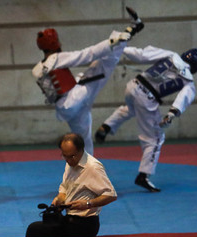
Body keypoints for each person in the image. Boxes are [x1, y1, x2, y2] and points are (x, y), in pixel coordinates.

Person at [32, 7, 144, 155]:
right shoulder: (57, 58)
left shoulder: (37, 69)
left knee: (83, 140)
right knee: (104, 63)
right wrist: (114, 41)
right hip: (76, 97)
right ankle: (131, 30)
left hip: (66, 109)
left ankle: (85, 172)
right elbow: (88, 54)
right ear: (54, 42)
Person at [94, 47, 197, 192]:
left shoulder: (170, 54)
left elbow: (142, 54)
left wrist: (122, 48)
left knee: (132, 108)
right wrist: (171, 113)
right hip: (147, 97)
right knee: (156, 138)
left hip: (133, 86)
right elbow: (182, 99)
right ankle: (143, 176)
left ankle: (107, 126)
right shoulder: (188, 81)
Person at [26, 133, 117, 237]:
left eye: (72, 156)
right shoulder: (70, 162)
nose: (68, 160)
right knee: (40, 227)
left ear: (81, 150)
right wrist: (59, 199)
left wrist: (88, 204)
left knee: (34, 230)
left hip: (85, 224)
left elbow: (111, 195)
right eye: (65, 156)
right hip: (70, 218)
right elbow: (65, 187)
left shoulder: (92, 167)